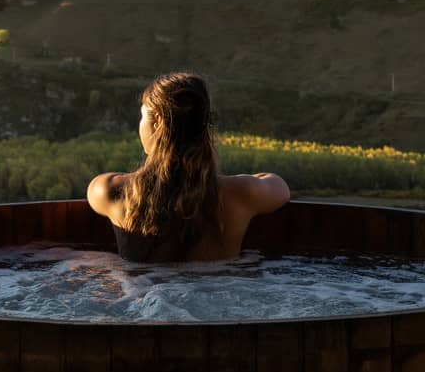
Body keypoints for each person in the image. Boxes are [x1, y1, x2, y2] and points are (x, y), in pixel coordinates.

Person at [86, 72, 290, 262]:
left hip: (141, 293)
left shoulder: (109, 190)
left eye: (143, 115)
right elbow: (280, 188)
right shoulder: (242, 193)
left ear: (157, 121)